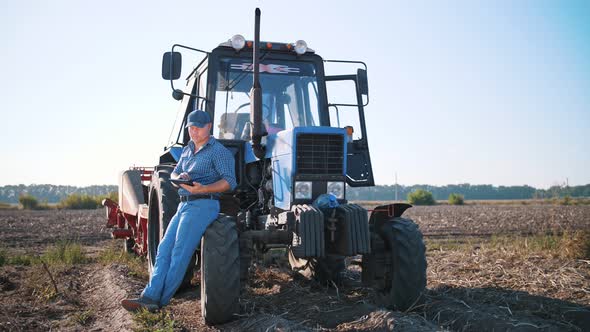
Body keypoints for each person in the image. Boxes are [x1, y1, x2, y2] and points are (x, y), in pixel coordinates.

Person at [121, 109, 237, 312]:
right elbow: (174, 171)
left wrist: (204, 188)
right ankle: (149, 295)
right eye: (191, 128)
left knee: (179, 253)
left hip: (204, 203)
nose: (193, 132)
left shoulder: (218, 151)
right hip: (184, 204)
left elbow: (229, 182)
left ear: (209, 126)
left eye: (198, 128)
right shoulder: (187, 149)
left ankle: (158, 300)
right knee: (164, 250)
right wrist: (179, 177)